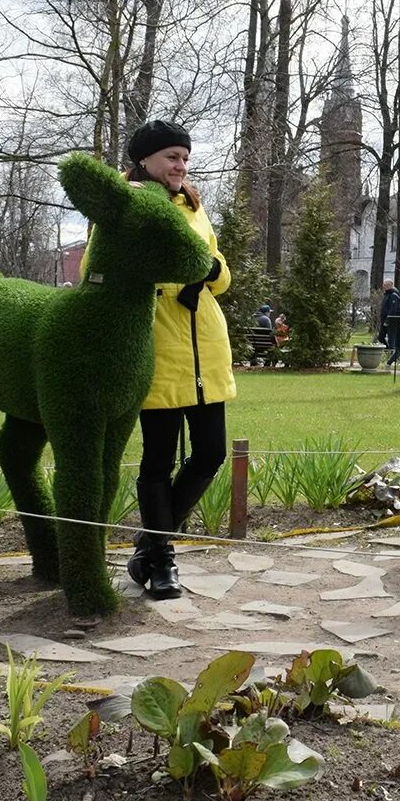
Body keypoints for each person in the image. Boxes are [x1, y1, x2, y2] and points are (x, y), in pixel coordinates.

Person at [119, 118, 236, 600]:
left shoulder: (194, 205)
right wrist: (171, 275)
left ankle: (149, 544)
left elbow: (220, 272)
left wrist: (210, 269)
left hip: (206, 345)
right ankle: (163, 563)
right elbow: (99, 267)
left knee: (211, 453)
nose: (180, 165)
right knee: (158, 460)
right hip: (159, 347)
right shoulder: (127, 206)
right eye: (172, 157)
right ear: (144, 161)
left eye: (185, 157)